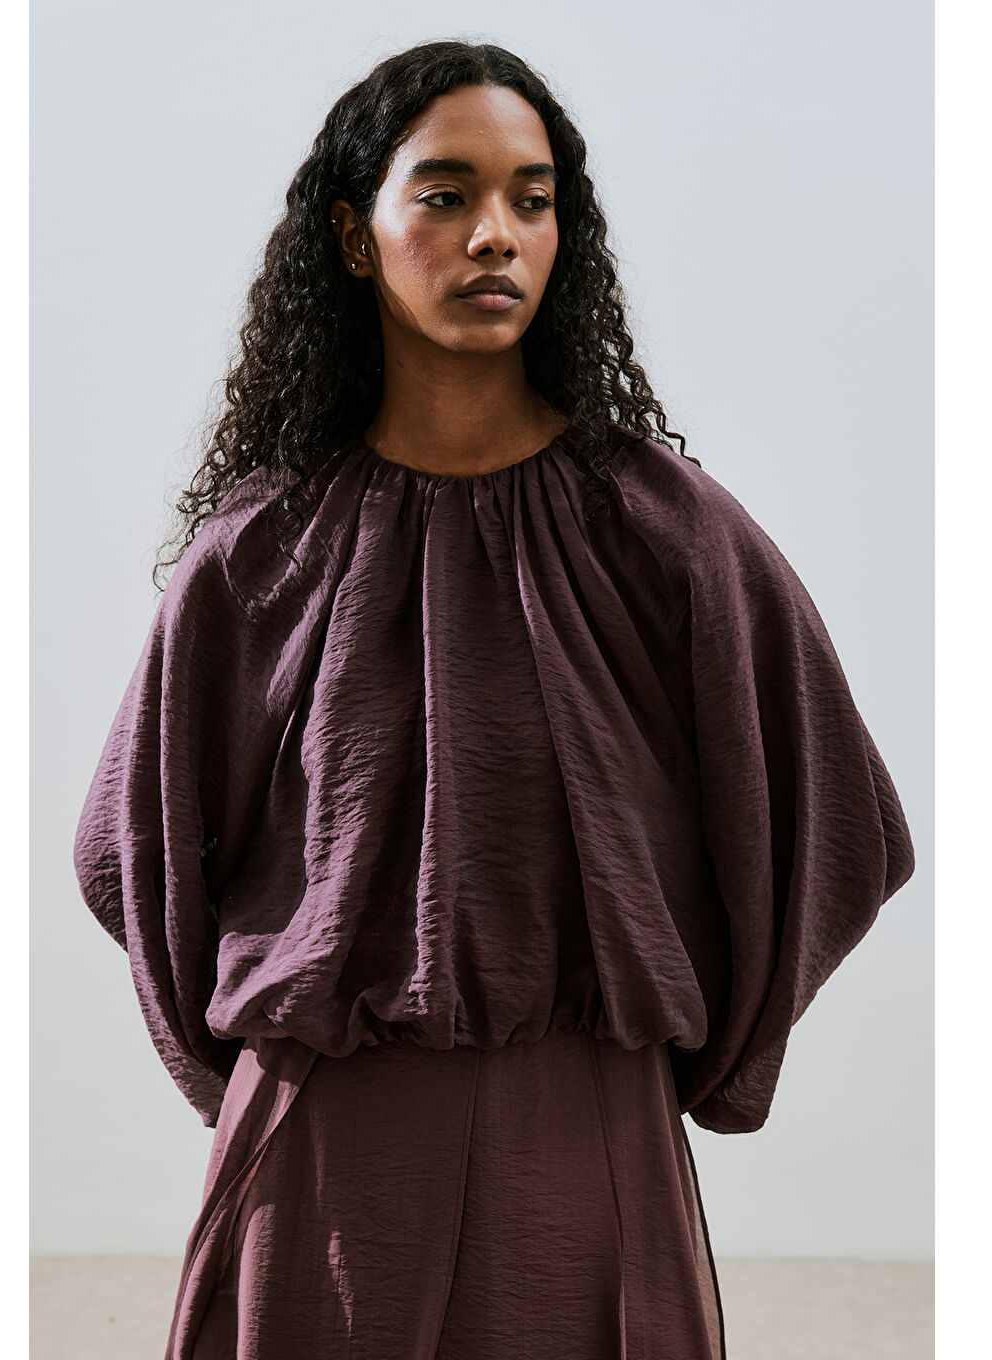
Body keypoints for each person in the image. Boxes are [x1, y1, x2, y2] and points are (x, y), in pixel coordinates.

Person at [71, 39, 916, 1360]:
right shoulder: (261, 552)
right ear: (352, 238)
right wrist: (259, 1068)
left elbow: (840, 824)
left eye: (533, 200)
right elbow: (132, 849)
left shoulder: (665, 533)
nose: (495, 237)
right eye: (446, 195)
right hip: (321, 1162)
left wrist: (669, 1048)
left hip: (588, 1161)